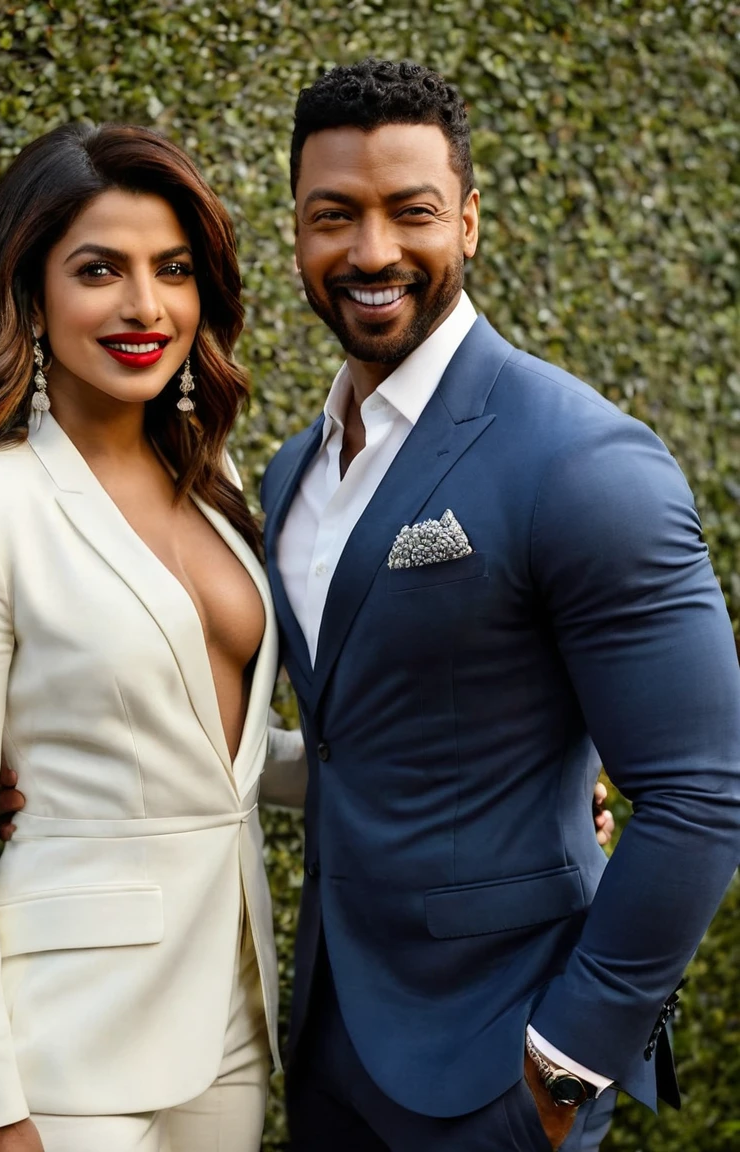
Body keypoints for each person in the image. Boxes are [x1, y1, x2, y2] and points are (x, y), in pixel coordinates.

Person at [259, 58, 740, 1152]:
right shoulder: (291, 475)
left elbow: (699, 796)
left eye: (409, 211)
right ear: (295, 232)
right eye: (332, 215)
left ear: (468, 223)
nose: (369, 251)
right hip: (325, 1043)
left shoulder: (582, 460)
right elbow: (351, 743)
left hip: (498, 1070)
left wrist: (564, 1070)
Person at [0, 122, 303, 1152]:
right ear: (30, 295)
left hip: (229, 1025)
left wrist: (506, 777)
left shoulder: (217, 488)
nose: (143, 306)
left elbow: (226, 757)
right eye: (98, 271)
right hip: (62, 1047)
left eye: (172, 270)